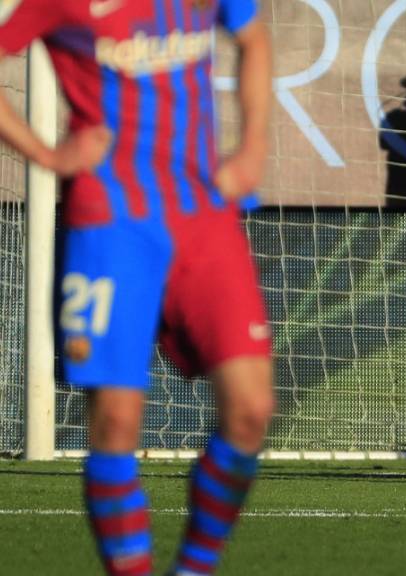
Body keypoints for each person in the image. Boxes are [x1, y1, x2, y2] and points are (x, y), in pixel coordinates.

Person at [0, 1, 275, 573]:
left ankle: (193, 569)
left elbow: (254, 40)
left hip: (203, 218)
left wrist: (250, 152)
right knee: (116, 425)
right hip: (110, 227)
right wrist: (47, 154)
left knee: (250, 409)